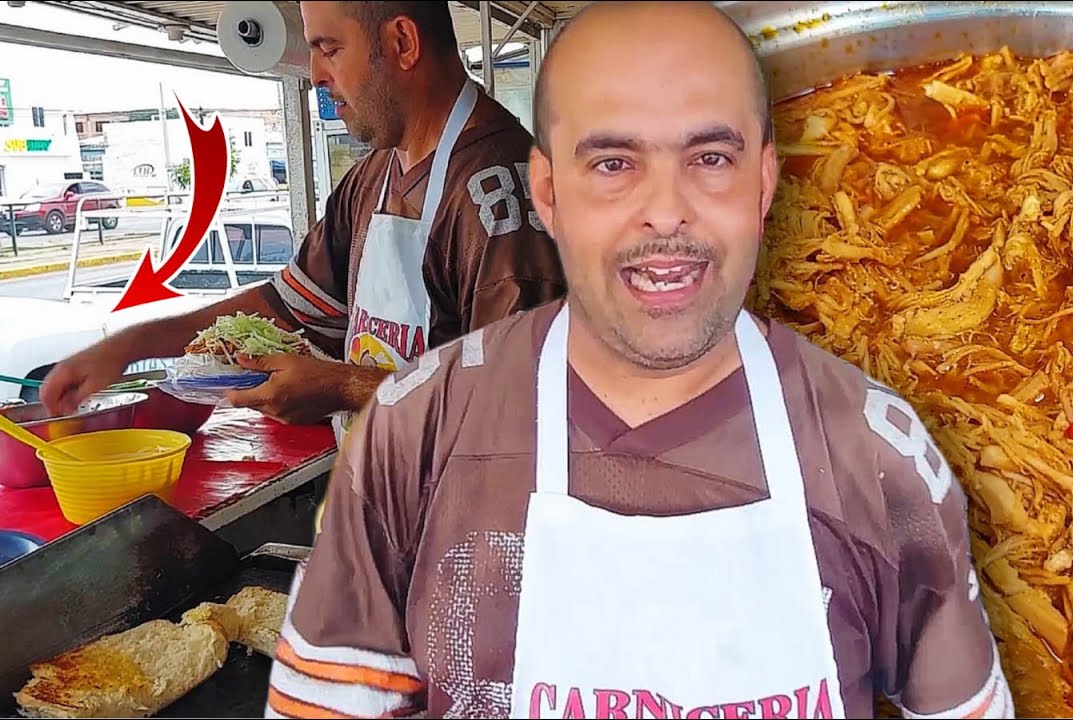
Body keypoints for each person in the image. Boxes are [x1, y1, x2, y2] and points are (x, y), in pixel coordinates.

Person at [265, 2, 1015, 719]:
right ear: (550, 195)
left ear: (764, 184)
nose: (665, 211)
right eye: (614, 163)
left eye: (711, 157)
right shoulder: (406, 438)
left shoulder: (884, 453)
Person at [39, 2, 566, 440]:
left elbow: (516, 403)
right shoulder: (373, 177)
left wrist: (344, 387)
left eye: (330, 49)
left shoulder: (501, 192)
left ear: (403, 42)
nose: (315, 75)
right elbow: (281, 308)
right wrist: (130, 346)